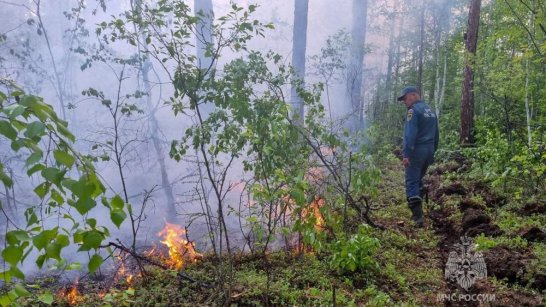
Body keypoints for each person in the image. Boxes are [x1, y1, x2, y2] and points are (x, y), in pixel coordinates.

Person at [397, 86, 439, 228]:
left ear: (414, 95)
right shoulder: (431, 111)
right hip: (429, 150)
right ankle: (419, 210)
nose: (404, 102)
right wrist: (433, 152)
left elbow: (410, 135)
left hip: (417, 152)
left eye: (405, 98)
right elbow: (437, 134)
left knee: (411, 182)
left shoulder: (413, 112)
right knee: (418, 179)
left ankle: (417, 218)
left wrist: (407, 154)